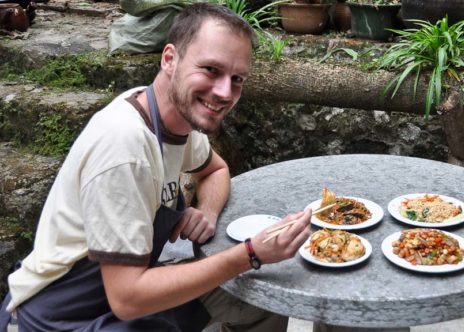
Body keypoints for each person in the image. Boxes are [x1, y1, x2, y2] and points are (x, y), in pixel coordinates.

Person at [0, 3, 312, 331]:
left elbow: (215, 171)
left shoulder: (174, 118)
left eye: (237, 79)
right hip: (61, 316)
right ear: (169, 59)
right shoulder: (125, 145)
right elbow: (127, 297)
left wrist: (206, 211)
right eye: (210, 70)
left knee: (257, 300)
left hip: (125, 294)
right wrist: (249, 254)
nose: (224, 92)